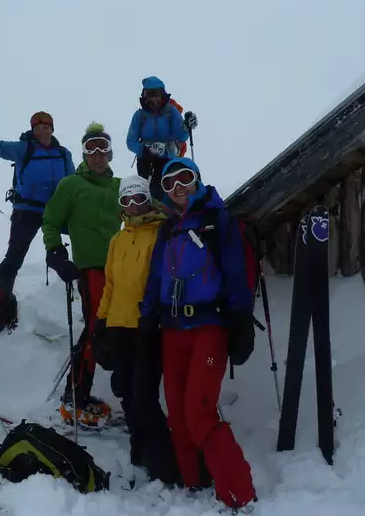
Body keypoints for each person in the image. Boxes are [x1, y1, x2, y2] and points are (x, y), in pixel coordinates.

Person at [139, 157, 257, 512]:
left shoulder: (217, 221)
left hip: (208, 328)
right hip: (172, 331)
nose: (178, 187)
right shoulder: (166, 229)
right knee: (176, 413)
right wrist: (147, 319)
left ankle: (240, 495)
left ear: (197, 180)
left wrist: (241, 319)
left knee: (199, 411)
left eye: (184, 178)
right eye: (170, 182)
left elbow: (236, 272)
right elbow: (157, 278)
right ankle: (194, 483)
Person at [92, 175, 180, 485]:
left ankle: (165, 463)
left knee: (144, 396)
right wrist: (101, 323)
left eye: (138, 199)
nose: (132, 205)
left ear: (148, 200)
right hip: (118, 326)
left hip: (147, 327)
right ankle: (140, 449)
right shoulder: (118, 240)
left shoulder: (161, 234)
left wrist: (155, 317)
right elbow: (110, 286)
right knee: (125, 393)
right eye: (126, 200)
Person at [42, 122, 122, 426]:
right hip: (90, 269)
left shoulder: (118, 187)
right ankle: (74, 398)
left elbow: (147, 210)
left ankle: (87, 394)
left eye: (103, 148)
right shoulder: (71, 185)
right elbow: (50, 220)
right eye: (91, 149)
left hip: (121, 270)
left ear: (111, 153)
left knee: (116, 328)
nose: (98, 155)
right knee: (93, 328)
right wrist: (55, 252)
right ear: (84, 154)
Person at [0, 106, 75, 295]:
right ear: (33, 131)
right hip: (27, 210)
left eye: (46, 126)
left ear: (52, 129)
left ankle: (84, 275)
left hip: (56, 211)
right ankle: (0, 298)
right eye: (38, 128)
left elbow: (72, 181)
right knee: (14, 256)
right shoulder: (24, 148)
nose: (42, 130)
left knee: (83, 233)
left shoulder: (63, 153)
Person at [125, 76, 195, 200]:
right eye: (149, 94)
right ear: (144, 95)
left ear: (162, 94)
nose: (153, 98)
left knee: (166, 192)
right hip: (146, 161)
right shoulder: (140, 115)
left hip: (168, 159)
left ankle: (170, 215)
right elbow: (131, 141)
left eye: (156, 93)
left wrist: (187, 126)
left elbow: (181, 136)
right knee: (148, 193)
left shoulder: (171, 112)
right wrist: (144, 150)